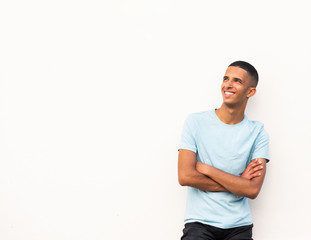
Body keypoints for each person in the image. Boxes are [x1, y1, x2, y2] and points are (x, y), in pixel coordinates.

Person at [178, 61, 269, 240]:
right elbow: (185, 176)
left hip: (239, 226)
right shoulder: (195, 122)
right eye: (226, 78)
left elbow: (252, 190)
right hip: (199, 224)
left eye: (237, 81)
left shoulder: (257, 132)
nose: (228, 84)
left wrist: (207, 169)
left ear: (250, 92)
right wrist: (238, 184)